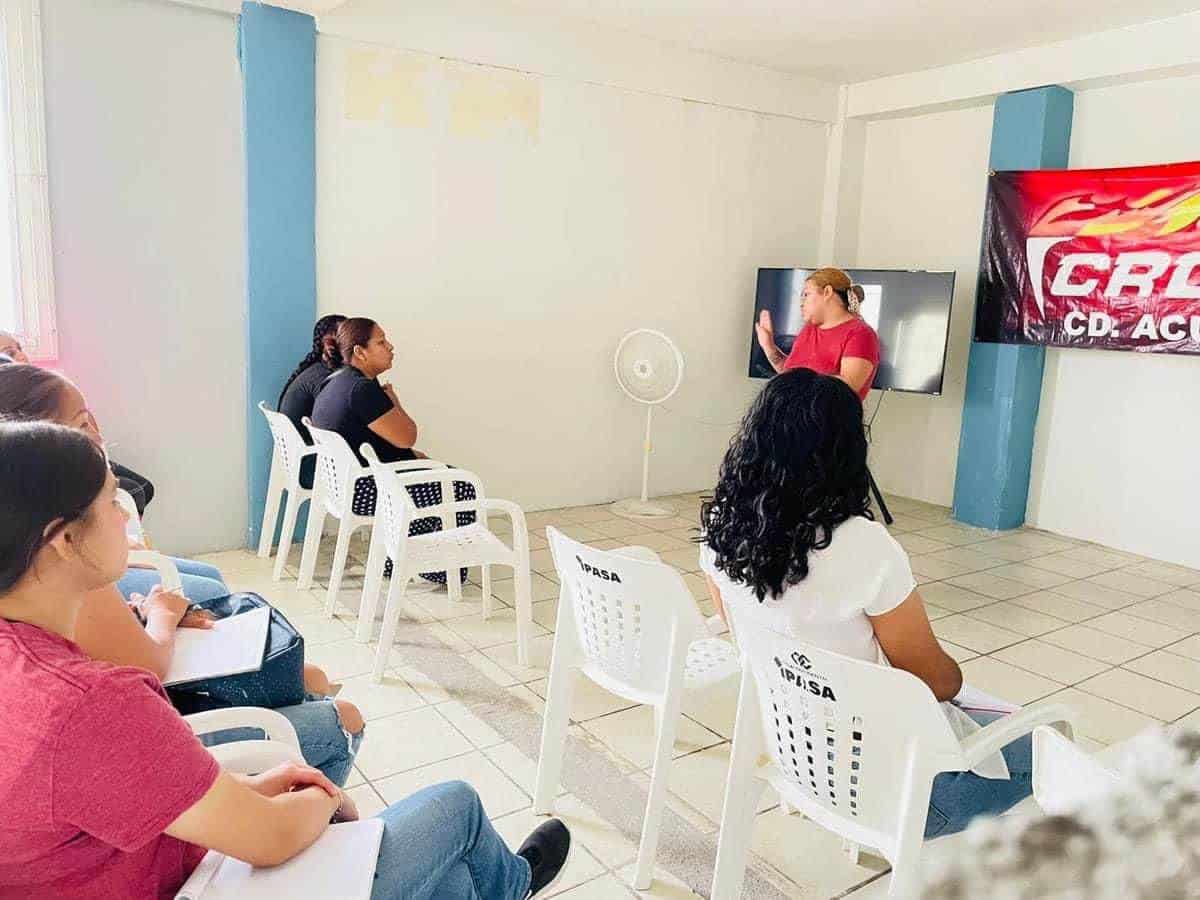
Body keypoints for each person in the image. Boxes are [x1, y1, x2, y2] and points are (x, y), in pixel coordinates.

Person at [0, 420, 571, 899]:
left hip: (151, 853)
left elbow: (128, 791)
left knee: (449, 886)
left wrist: (253, 787)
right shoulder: (87, 704)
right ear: (63, 539)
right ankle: (514, 883)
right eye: (109, 501)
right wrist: (322, 796)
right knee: (458, 809)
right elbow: (269, 839)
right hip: (187, 883)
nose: (126, 515)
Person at [700, 369, 1031, 838]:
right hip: (894, 796)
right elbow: (933, 680)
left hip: (791, 755)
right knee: (1047, 742)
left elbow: (736, 628)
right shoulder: (863, 546)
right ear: (845, 452)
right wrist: (955, 680)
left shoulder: (721, 525)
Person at [0, 364, 361, 783]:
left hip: (141, 735)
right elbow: (144, 673)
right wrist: (162, 618)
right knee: (335, 713)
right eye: (113, 506)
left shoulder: (33, 582)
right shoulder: (68, 588)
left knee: (300, 677)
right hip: (150, 748)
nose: (99, 435)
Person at [0, 364, 225, 603]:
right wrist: (162, 619)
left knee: (212, 578)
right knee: (212, 594)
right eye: (83, 424)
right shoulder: (59, 568)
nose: (98, 436)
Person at [311, 318, 472, 585]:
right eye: (381, 342)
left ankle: (401, 558)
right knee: (460, 485)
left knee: (434, 473)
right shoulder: (361, 389)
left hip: (343, 488)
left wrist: (412, 459)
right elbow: (407, 437)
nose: (391, 347)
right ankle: (443, 569)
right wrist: (395, 403)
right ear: (360, 352)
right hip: (370, 493)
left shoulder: (333, 382)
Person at [754, 266, 880, 401]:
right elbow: (789, 374)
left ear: (827, 292)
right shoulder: (809, 330)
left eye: (806, 294)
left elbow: (845, 390)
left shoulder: (861, 334)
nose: (801, 303)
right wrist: (768, 346)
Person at [279, 314, 346, 488]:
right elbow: (336, 428)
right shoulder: (324, 378)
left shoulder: (314, 369)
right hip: (310, 468)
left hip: (298, 461)